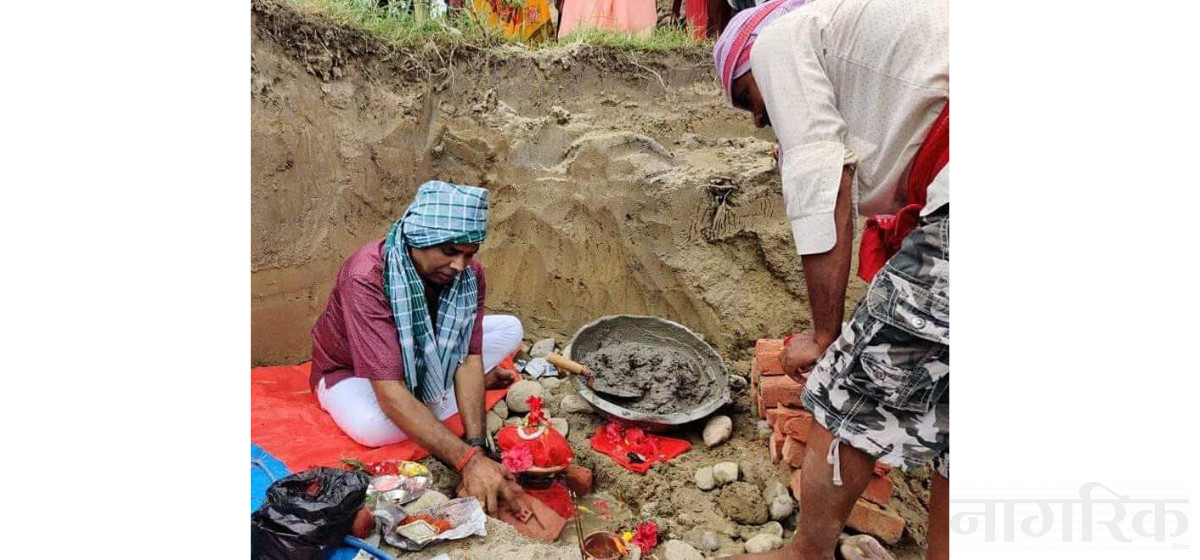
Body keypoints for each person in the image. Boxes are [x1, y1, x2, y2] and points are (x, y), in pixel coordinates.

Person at [714, 1, 948, 559]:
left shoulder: (778, 41)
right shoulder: (867, 32)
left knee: (850, 389)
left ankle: (806, 554)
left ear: (751, 58)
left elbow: (824, 186)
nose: (754, 118)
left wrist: (825, 335)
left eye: (747, 98)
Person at [309, 180, 523, 513]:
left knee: (511, 328)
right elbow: (390, 390)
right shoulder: (366, 275)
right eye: (450, 251)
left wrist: (477, 448)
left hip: (426, 356)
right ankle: (440, 397)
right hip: (352, 373)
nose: (459, 266)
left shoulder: (468, 275)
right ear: (419, 238)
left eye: (469, 253)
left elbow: (467, 358)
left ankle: (440, 395)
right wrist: (464, 461)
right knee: (373, 427)